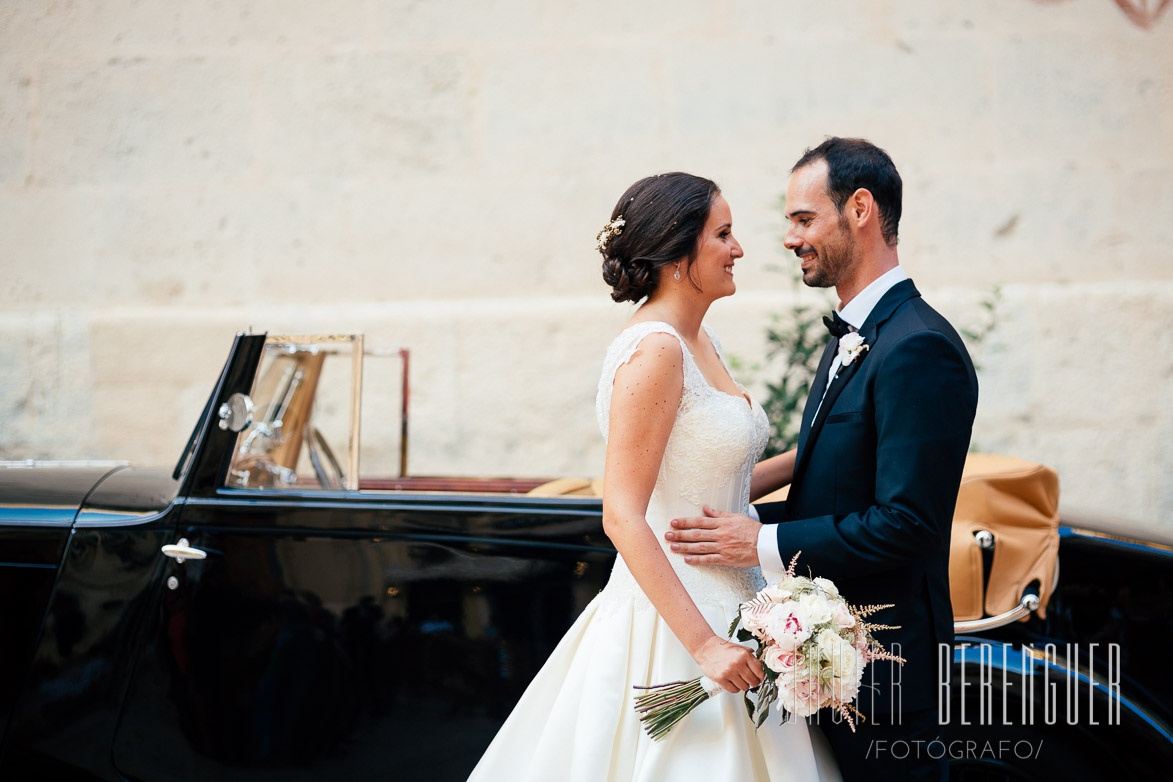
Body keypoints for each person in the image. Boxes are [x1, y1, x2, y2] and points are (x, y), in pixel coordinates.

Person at [467, 172, 837, 781]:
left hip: (744, 606)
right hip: (677, 624)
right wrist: (704, 645)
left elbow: (709, 484)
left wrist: (818, 453)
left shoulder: (702, 339)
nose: (739, 248)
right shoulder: (657, 350)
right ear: (676, 251)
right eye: (723, 233)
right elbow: (623, 513)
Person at [665, 138, 979, 781]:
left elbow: (906, 523)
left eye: (803, 219)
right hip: (827, 669)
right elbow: (833, 485)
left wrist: (760, 540)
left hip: (888, 677)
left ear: (860, 209)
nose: (788, 239)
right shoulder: (855, 338)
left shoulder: (919, 347)